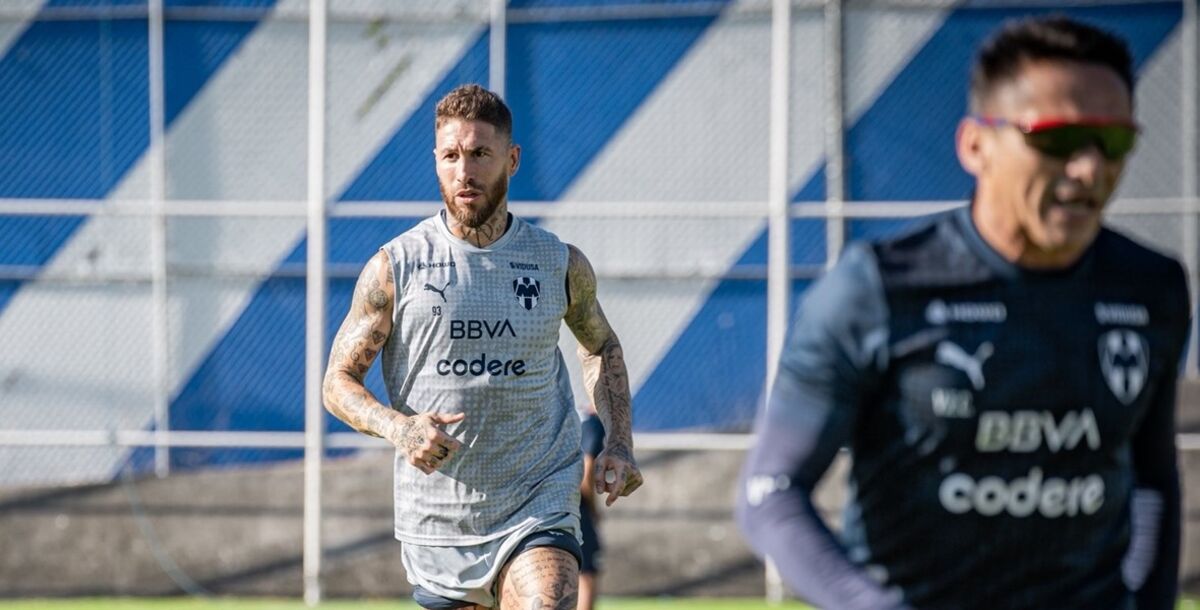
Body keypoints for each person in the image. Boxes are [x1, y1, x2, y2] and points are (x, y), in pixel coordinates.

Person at [737, 15, 1187, 610]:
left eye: (1113, 141)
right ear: (976, 145)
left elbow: (1152, 477)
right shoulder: (877, 287)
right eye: (1056, 139)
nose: (1088, 169)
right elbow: (771, 491)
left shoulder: (1150, 287)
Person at [322, 83, 643, 610]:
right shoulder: (396, 266)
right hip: (438, 518)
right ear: (436, 160)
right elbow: (337, 382)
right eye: (451, 155)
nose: (464, 172)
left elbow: (601, 346)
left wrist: (619, 441)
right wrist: (400, 428)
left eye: (479, 154)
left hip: (538, 497)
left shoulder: (557, 262)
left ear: (511, 160)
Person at [577, 406, 606, 610]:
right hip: (577, 506)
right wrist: (593, 508)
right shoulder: (593, 424)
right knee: (587, 573)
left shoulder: (569, 415)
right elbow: (587, 468)